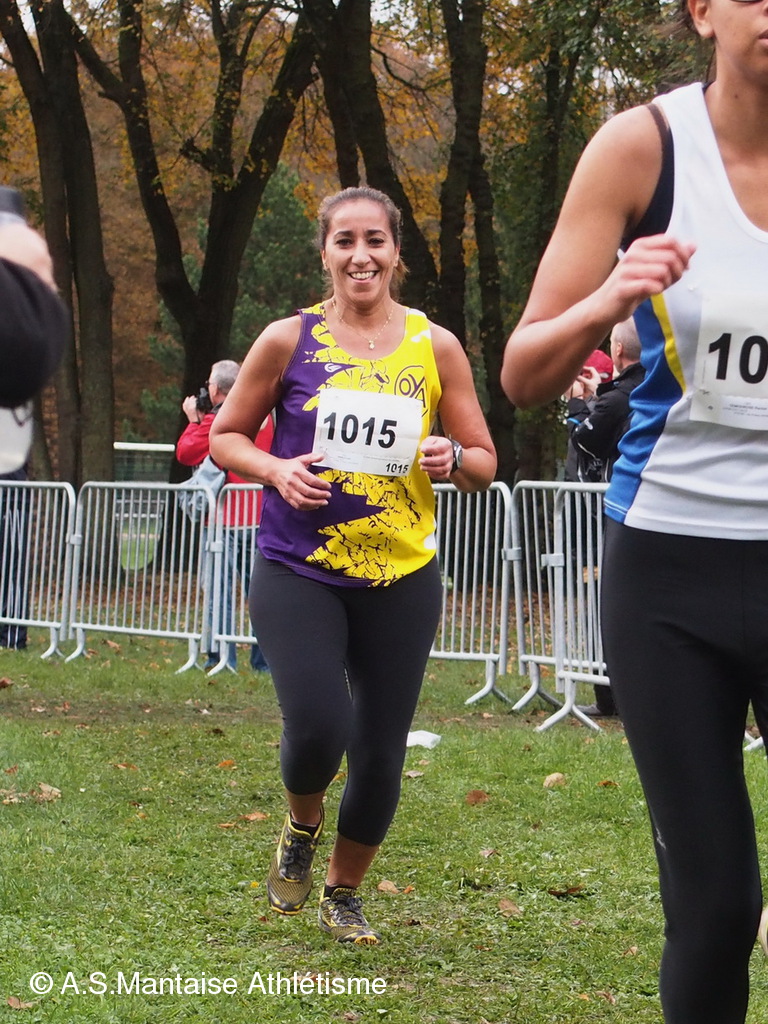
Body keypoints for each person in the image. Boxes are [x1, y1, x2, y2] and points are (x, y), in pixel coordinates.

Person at [501, 2, 768, 1021]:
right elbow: (525, 371)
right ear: (701, 11)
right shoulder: (643, 149)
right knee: (715, 905)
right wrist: (607, 300)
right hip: (668, 576)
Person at [210, 185, 497, 945]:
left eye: (375, 240)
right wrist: (274, 469)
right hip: (298, 567)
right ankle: (302, 824)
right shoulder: (287, 339)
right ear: (326, 253)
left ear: (397, 253)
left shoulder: (435, 346)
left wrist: (452, 456)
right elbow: (226, 436)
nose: (361, 255)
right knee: (318, 725)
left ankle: (343, 891)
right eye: (345, 241)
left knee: (379, 752)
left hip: (401, 578)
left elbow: (484, 460)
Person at [176, 360, 274, 672]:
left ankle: (220, 657)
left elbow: (187, 452)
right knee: (260, 594)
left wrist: (194, 421)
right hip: (259, 515)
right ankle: (264, 661)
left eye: (209, 383)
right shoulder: (266, 415)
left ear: (216, 388)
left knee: (219, 591)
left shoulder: (223, 416)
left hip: (224, 519)